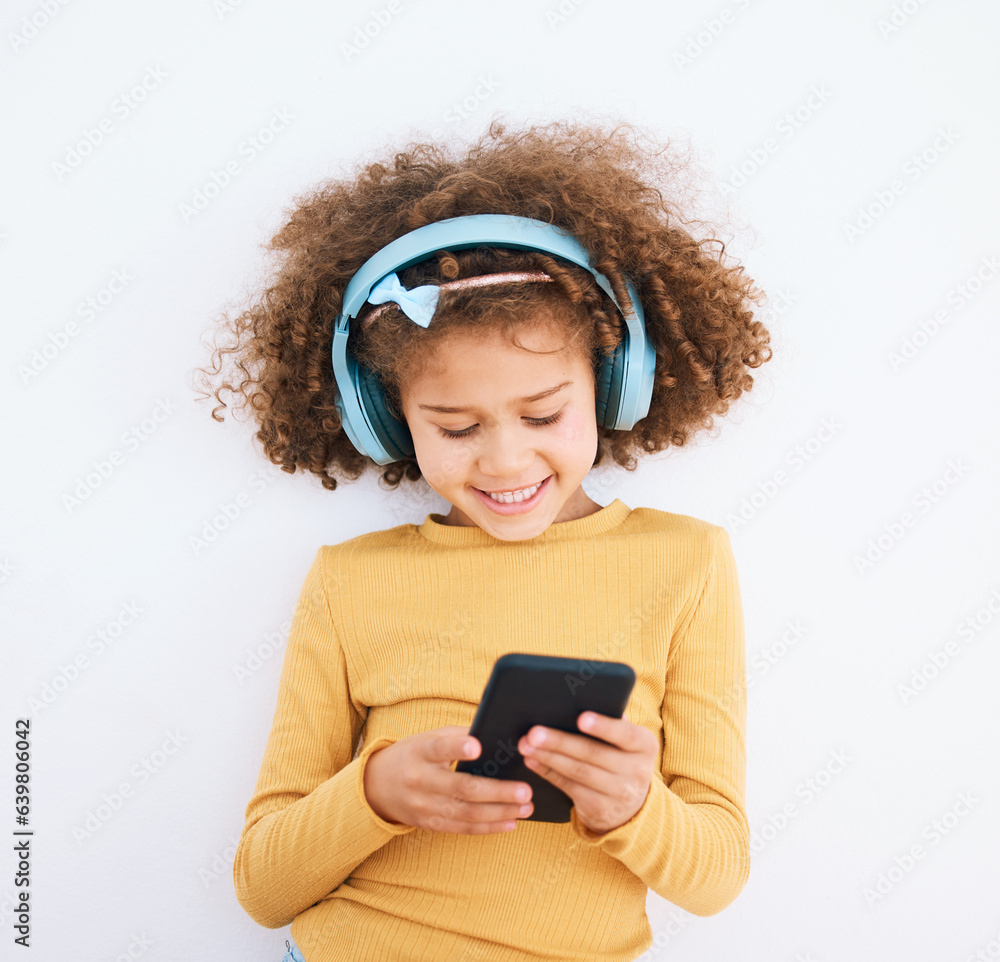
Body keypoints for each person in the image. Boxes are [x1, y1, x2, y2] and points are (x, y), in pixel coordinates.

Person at [195, 118, 773, 962]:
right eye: (456, 426)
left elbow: (716, 876)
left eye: (543, 414)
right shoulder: (349, 580)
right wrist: (375, 792)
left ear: (615, 384)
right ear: (389, 420)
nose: (505, 459)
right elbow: (262, 887)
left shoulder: (687, 563)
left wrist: (631, 807)